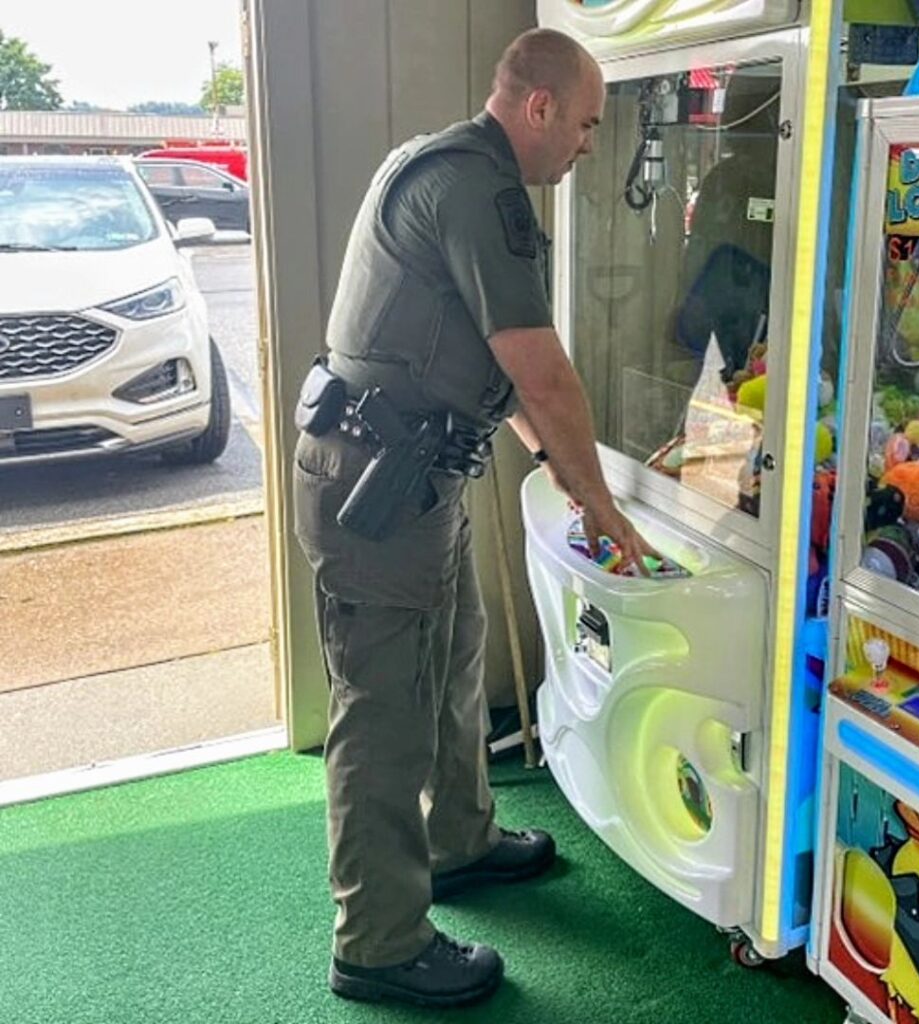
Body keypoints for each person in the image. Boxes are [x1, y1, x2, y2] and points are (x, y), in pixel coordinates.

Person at [293, 27, 656, 1010]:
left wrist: (551, 463)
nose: (587, 145)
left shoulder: (442, 163)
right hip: (382, 485)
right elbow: (538, 366)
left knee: (450, 661)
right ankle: (377, 939)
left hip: (412, 474)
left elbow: (494, 371)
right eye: (582, 123)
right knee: (387, 706)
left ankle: (458, 839)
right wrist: (598, 499)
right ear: (536, 106)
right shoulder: (478, 190)